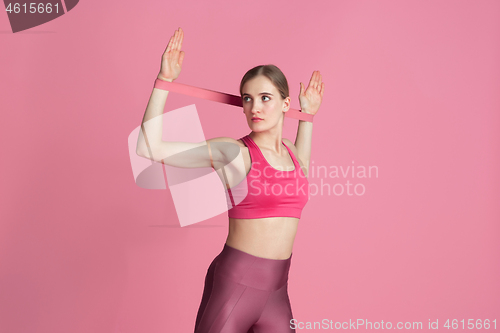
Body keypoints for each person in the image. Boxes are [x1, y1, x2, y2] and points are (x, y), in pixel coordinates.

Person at [136, 27, 324, 333]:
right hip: (235, 286)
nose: (255, 107)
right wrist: (164, 82)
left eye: (265, 98)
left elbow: (302, 169)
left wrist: (309, 117)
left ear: (286, 104)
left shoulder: (291, 153)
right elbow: (149, 148)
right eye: (248, 99)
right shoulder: (233, 152)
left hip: (278, 293)